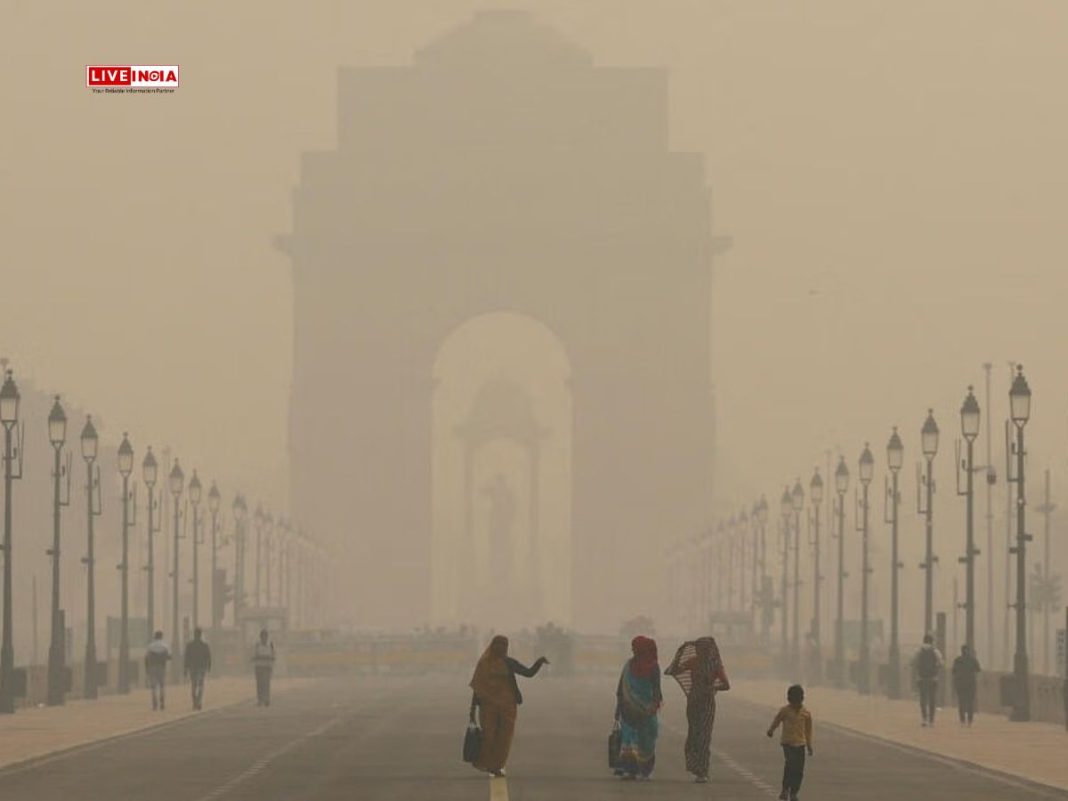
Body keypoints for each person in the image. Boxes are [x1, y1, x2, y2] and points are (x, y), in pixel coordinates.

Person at [468, 635, 549, 778]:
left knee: (504, 737)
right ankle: (488, 763)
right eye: (498, 645)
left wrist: (539, 662)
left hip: (507, 707)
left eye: (504, 645)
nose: (501, 648)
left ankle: (496, 766)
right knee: (489, 737)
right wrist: (472, 710)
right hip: (488, 708)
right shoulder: (484, 664)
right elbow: (478, 688)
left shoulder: (509, 663)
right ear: (492, 646)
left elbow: (528, 673)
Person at [665, 636, 731, 783]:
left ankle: (703, 771)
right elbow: (672, 670)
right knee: (694, 734)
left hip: (707, 703)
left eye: (703, 649)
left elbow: (726, 685)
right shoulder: (693, 661)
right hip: (693, 702)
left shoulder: (715, 665)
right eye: (698, 649)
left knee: (704, 736)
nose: (700, 651)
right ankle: (696, 767)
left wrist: (712, 687)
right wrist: (681, 652)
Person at [614, 636, 662, 781]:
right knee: (629, 740)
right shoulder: (628, 665)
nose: (632, 650)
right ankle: (630, 771)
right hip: (628, 711)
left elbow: (656, 688)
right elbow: (620, 690)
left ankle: (645, 771)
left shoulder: (654, 666)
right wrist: (617, 710)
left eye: (635, 648)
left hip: (647, 711)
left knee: (646, 740)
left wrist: (654, 705)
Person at [766, 684, 813, 801]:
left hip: (800, 744)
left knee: (799, 770)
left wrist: (809, 745)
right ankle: (785, 788)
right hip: (787, 743)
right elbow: (777, 720)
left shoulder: (806, 713)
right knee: (791, 765)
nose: (795, 704)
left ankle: (794, 792)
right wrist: (771, 730)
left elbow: (808, 731)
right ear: (789, 699)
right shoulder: (785, 711)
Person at [911, 633, 944, 726]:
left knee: (923, 699)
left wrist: (919, 666)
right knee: (932, 699)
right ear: (932, 641)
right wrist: (935, 667)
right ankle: (931, 720)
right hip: (933, 678)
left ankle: (924, 719)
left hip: (921, 678)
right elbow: (941, 663)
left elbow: (912, 661)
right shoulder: (935, 651)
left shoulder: (918, 651)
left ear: (924, 640)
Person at [951, 644, 981, 726]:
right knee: (970, 703)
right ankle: (970, 720)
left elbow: (953, 671)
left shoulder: (957, 660)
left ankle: (962, 720)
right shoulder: (973, 660)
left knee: (961, 702)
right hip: (970, 684)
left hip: (960, 684)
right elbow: (978, 669)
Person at [184, 628, 212, 710]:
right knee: (200, 685)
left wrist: (185, 669)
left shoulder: (189, 645)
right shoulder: (204, 645)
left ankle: (194, 702)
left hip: (192, 667)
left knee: (193, 685)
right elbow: (208, 657)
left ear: (194, 634)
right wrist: (209, 667)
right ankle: (199, 701)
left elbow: (186, 657)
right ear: (200, 634)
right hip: (202, 667)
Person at [144, 631, 171, 711]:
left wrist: (147, 669)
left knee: (154, 687)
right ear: (161, 636)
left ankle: (154, 704)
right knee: (162, 686)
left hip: (152, 667)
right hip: (162, 667)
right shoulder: (165, 646)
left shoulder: (150, 646)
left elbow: (146, 658)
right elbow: (169, 657)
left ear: (155, 636)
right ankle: (162, 702)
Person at [251, 629, 276, 706]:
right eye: (263, 636)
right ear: (260, 637)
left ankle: (266, 699)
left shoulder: (270, 645)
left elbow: (273, 656)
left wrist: (269, 659)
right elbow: (253, 656)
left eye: (265, 636)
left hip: (267, 667)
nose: (264, 638)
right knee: (260, 685)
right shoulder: (257, 645)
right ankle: (260, 700)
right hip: (259, 667)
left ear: (267, 637)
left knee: (266, 684)